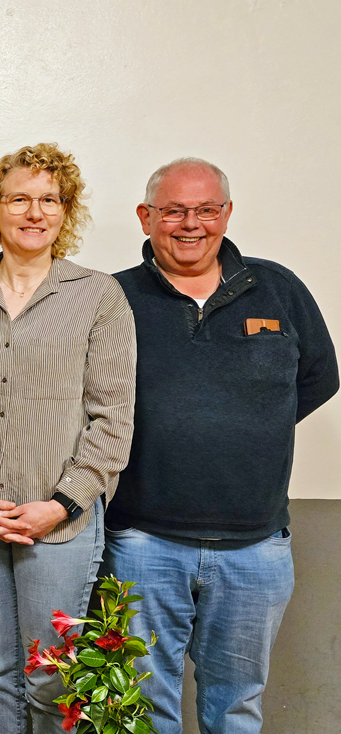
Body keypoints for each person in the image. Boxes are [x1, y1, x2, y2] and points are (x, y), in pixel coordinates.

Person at [102, 158, 338, 734]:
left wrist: (252, 429)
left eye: (206, 210)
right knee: (141, 702)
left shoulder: (277, 288)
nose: (191, 224)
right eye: (174, 211)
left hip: (255, 548)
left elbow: (320, 377)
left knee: (235, 703)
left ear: (226, 214)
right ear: (145, 218)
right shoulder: (112, 298)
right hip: (142, 542)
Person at [0, 143, 136, 734]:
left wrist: (61, 504)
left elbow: (112, 416)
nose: (34, 212)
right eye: (19, 198)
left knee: (51, 675)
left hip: (59, 522)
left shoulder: (98, 296)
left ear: (66, 213)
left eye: (50, 200)